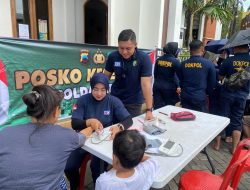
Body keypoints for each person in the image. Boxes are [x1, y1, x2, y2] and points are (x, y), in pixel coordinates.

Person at [0, 85, 99, 190]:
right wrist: (91, 124)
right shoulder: (66, 136)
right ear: (56, 111)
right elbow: (83, 136)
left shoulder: (5, 133)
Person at [65, 73, 133, 189]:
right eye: (95, 89)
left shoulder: (113, 101)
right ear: (91, 88)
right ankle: (75, 186)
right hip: (83, 139)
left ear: (107, 89)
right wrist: (89, 122)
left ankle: (99, 186)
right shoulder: (83, 100)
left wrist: (119, 127)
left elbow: (128, 119)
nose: (99, 93)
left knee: (97, 168)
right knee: (69, 167)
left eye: (103, 90)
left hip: (102, 141)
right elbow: (74, 123)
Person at [104, 29, 153, 119]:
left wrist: (149, 109)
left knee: (129, 128)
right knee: (112, 127)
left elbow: (146, 85)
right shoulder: (113, 56)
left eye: (128, 48)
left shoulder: (144, 59)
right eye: (121, 48)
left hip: (133, 102)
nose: (124, 52)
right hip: (115, 99)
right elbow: (105, 78)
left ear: (135, 45)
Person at [216, 44, 250, 153]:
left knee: (222, 118)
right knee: (237, 120)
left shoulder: (229, 60)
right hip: (242, 95)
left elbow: (220, 77)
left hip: (227, 94)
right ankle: (234, 149)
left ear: (238, 47)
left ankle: (217, 145)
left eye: (234, 47)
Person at [178, 40, 216, 112]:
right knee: (200, 119)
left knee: (186, 118)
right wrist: (207, 93)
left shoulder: (183, 64)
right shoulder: (208, 63)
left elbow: (180, 80)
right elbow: (212, 82)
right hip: (200, 97)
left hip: (186, 96)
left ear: (190, 50)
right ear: (202, 49)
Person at [153, 42, 181, 109]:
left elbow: (155, 74)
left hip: (157, 87)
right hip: (169, 89)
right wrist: (178, 86)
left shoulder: (158, 60)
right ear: (174, 51)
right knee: (168, 109)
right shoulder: (175, 61)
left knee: (157, 108)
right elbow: (180, 76)